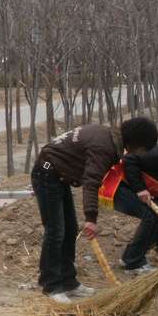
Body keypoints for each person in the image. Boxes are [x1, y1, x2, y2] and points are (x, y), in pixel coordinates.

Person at [31, 124, 123, 303]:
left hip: (58, 175)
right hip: (46, 173)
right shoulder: (103, 146)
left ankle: (68, 282)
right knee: (55, 231)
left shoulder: (106, 135)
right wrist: (91, 217)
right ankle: (50, 285)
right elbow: (91, 180)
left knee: (70, 229)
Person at [99, 117, 158, 275]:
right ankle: (132, 262)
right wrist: (140, 189)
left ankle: (134, 258)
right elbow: (129, 158)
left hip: (130, 188)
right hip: (116, 184)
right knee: (152, 214)